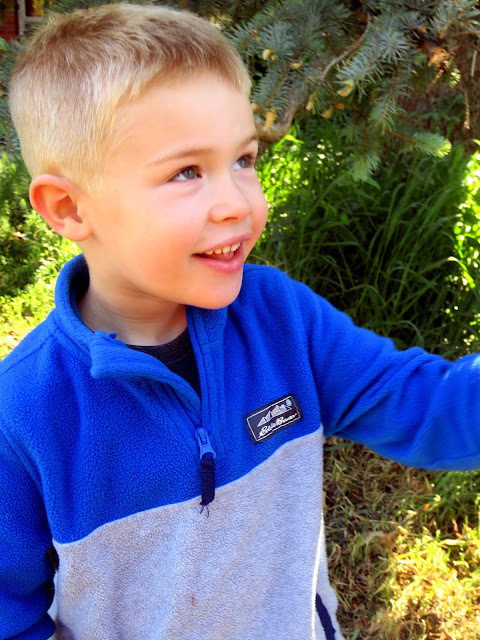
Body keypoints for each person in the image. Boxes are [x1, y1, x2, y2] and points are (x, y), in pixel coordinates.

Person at [1, 3, 479, 639]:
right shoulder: (25, 413)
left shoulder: (281, 320)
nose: (237, 202)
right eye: (187, 172)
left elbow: (423, 405)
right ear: (68, 207)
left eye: (244, 160)